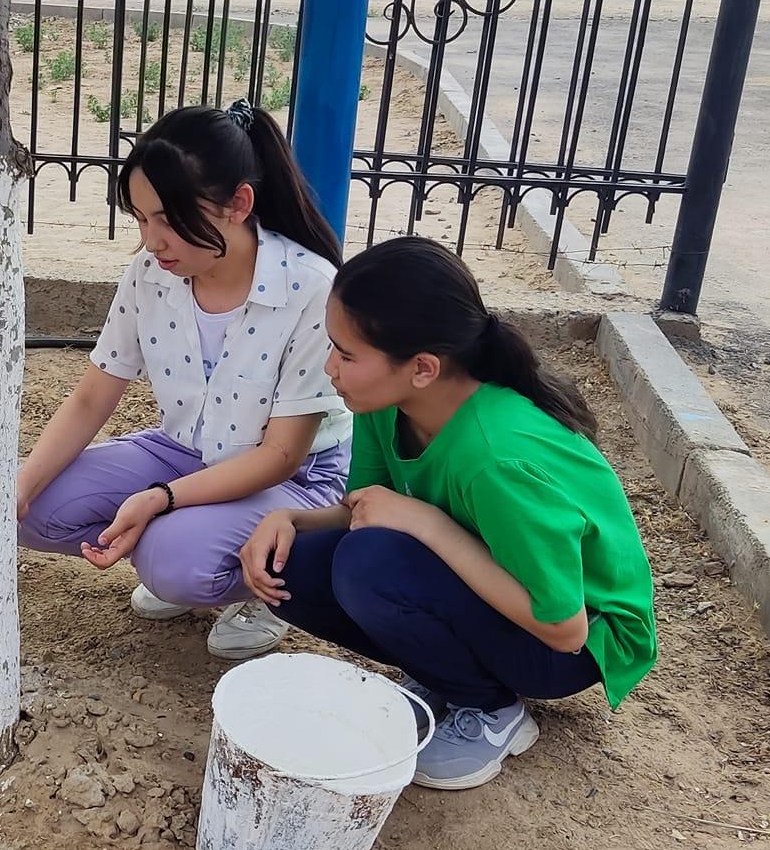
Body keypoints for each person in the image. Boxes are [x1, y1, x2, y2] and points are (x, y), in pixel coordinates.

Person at [238, 236, 657, 790]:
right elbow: (366, 509)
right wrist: (292, 520)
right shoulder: (387, 403)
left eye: (346, 354)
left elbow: (564, 628)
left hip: (577, 645)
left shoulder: (495, 459)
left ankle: (491, 711)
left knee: (369, 563)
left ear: (422, 368)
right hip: (496, 584)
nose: (329, 366)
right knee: (292, 565)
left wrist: (425, 522)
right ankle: (442, 675)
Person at [15, 100, 351, 659]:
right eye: (141, 219)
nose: (152, 241)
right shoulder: (150, 273)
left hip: (291, 477)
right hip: (184, 449)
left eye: (169, 220)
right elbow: (93, 395)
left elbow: (280, 455)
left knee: (172, 563)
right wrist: (20, 487)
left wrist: (161, 499)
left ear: (238, 204)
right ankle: (187, 544)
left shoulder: (311, 288)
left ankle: (257, 584)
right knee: (35, 509)